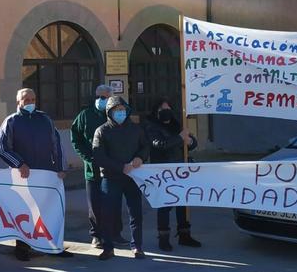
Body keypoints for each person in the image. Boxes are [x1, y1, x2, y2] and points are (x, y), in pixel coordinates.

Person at [0, 88, 67, 261]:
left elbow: (56, 144)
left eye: (33, 99)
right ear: (18, 102)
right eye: (26, 99)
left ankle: (52, 245)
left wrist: (60, 167)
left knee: (49, 211)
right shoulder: (11, 121)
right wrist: (19, 163)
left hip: (45, 175)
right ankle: (22, 247)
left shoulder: (45, 119)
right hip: (23, 176)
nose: (30, 102)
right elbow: (3, 148)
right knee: (23, 211)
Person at [92, 96, 149, 261]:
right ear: (109, 112)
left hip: (133, 177)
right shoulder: (102, 131)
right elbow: (98, 157)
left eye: (122, 109)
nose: (120, 113)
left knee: (136, 213)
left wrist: (140, 157)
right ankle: (108, 247)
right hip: (111, 177)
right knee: (108, 213)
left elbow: (145, 146)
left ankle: (137, 246)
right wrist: (120, 166)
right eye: (116, 110)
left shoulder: (136, 129)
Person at [143, 98, 202, 251]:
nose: (166, 112)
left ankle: (184, 235)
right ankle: (163, 237)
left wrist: (190, 141)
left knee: (182, 203)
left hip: (180, 169)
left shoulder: (177, 124)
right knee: (165, 204)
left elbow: (191, 143)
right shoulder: (151, 126)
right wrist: (180, 138)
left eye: (168, 108)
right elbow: (159, 144)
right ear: (156, 112)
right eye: (163, 109)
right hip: (163, 171)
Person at [71, 84, 121, 248]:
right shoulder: (85, 115)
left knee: (114, 201)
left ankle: (115, 233)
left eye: (105, 97)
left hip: (113, 168)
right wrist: (87, 157)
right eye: (99, 96)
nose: (101, 100)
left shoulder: (116, 115)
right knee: (95, 203)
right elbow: (76, 138)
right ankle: (97, 235)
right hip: (93, 169)